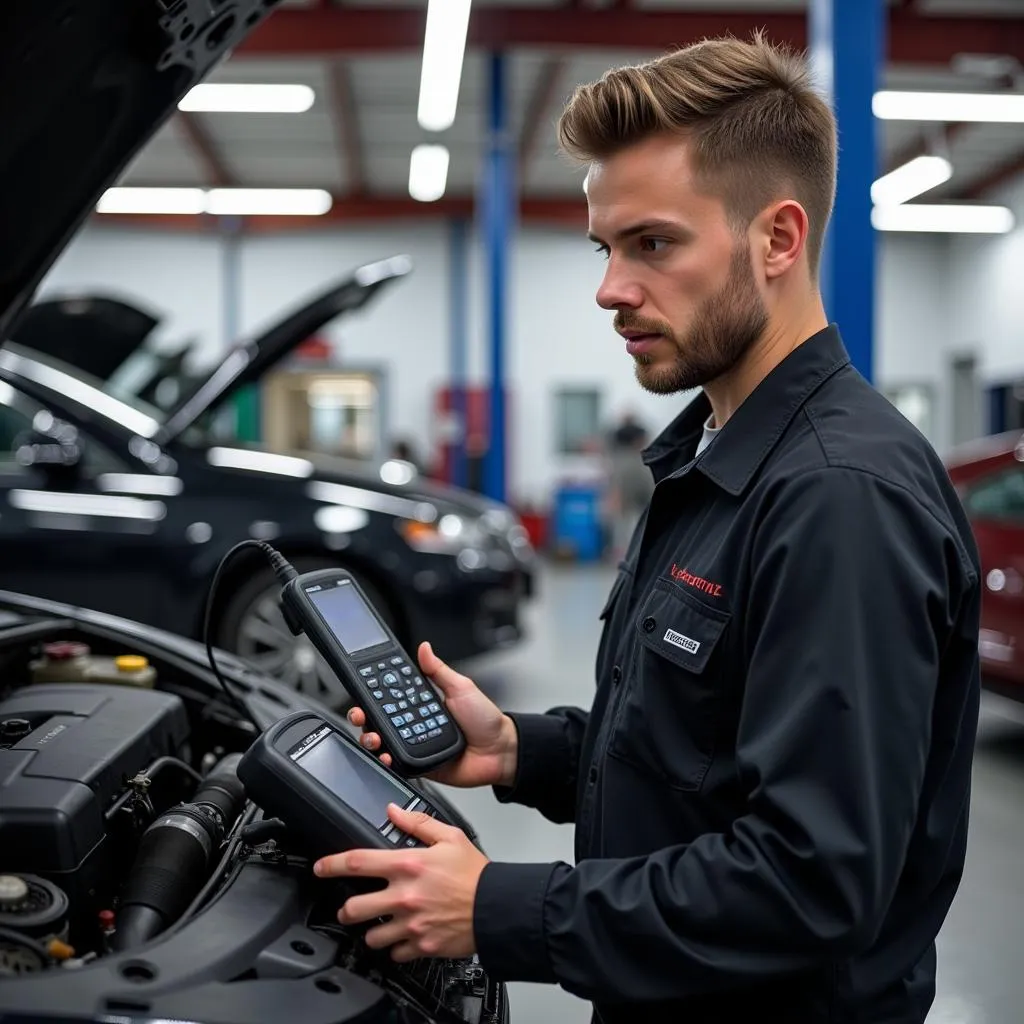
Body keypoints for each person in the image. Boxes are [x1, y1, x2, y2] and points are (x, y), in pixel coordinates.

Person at [313, 33, 982, 1022]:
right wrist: (514, 748)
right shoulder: (711, 458)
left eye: (654, 244)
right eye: (606, 246)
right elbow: (698, 761)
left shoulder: (840, 497)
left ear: (778, 239)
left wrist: (497, 905)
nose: (610, 288)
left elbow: (811, 880)